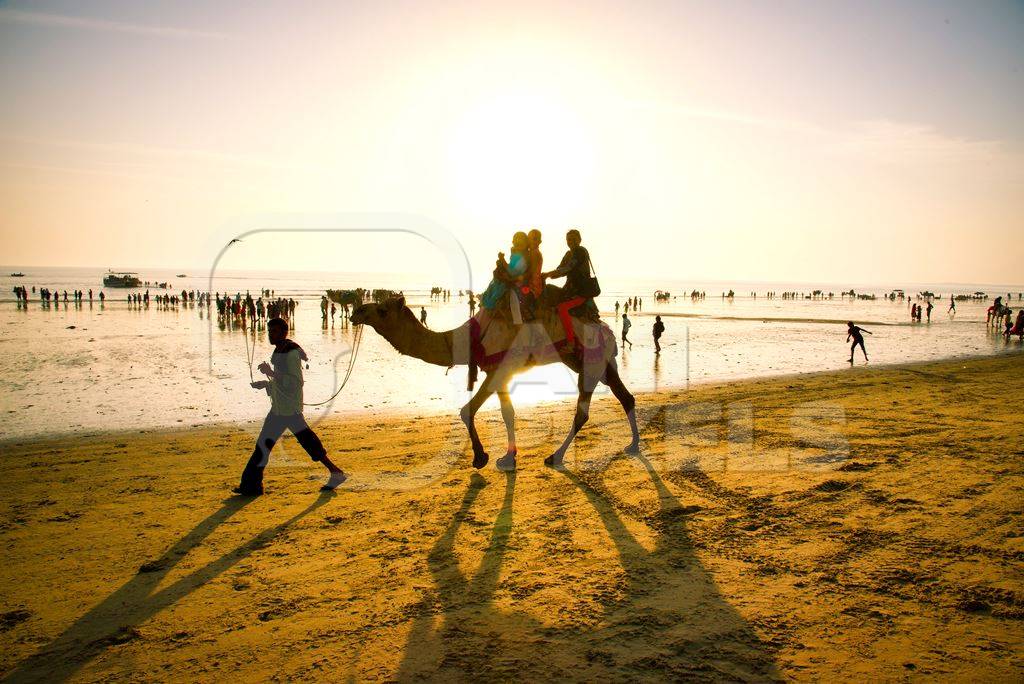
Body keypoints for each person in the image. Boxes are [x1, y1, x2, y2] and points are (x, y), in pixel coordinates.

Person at [235, 317, 346, 496]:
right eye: (269, 331)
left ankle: (251, 486)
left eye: (274, 331)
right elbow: (281, 383)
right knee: (278, 445)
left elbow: (295, 383)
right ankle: (251, 486)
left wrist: (271, 373)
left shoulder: (291, 354)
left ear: (284, 333)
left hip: (288, 411)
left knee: (275, 445)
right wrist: (265, 383)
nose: (270, 334)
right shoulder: (280, 351)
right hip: (280, 409)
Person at [543, 229, 595, 347]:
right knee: (548, 290)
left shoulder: (580, 252)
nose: (570, 242)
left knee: (562, 308)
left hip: (580, 292)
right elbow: (560, 270)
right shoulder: (568, 254)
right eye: (568, 239)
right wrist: (545, 276)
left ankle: (570, 342)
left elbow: (568, 268)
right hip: (569, 290)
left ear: (579, 240)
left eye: (573, 239)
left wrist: (548, 274)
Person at [480, 231, 530, 323]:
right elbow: (510, 268)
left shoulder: (523, 258)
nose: (517, 243)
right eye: (516, 241)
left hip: (516, 282)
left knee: (510, 296)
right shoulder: (516, 255)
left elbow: (512, 272)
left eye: (520, 241)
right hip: (511, 279)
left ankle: (518, 323)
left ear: (526, 244)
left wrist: (502, 261)